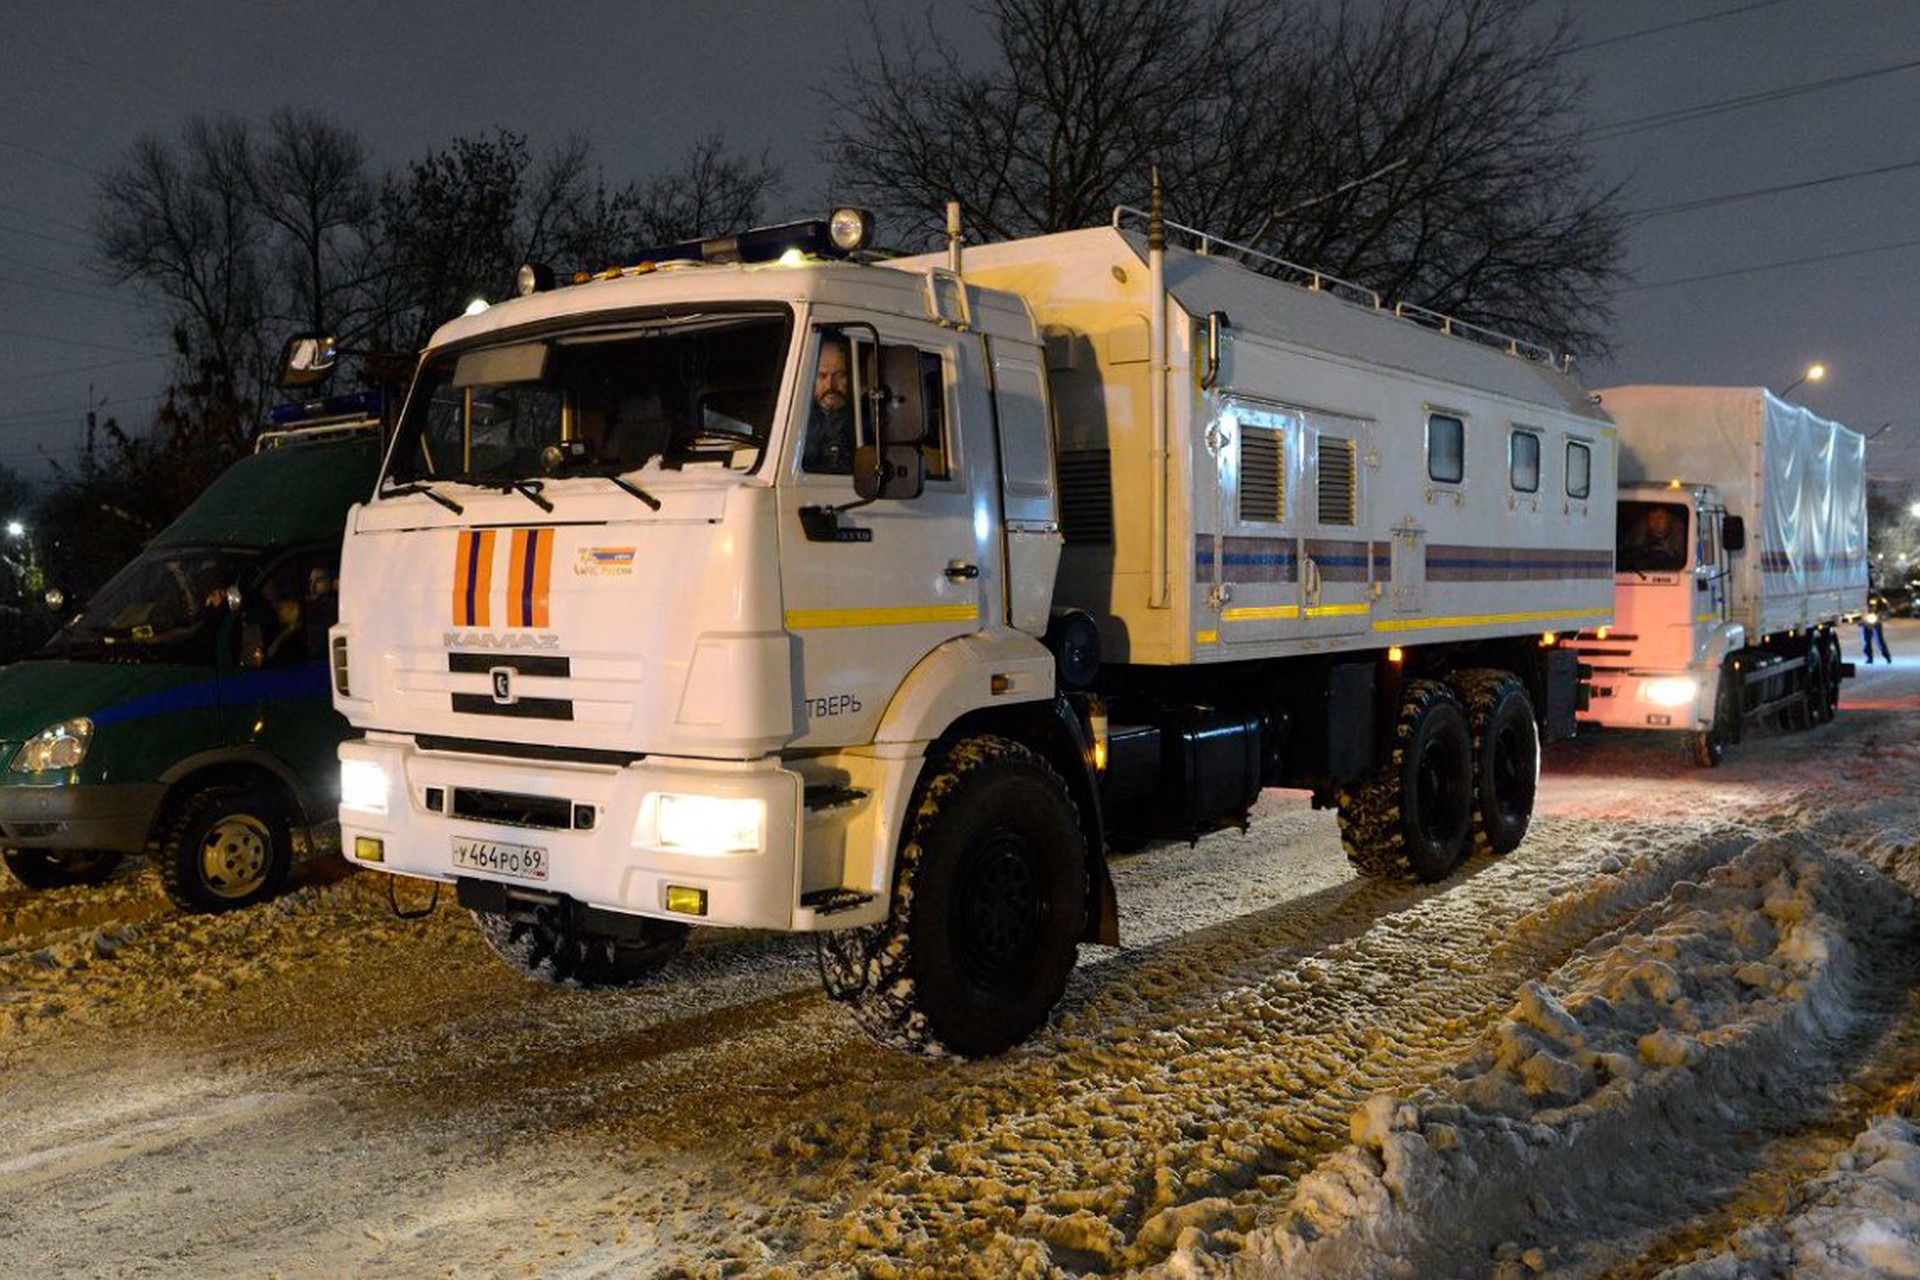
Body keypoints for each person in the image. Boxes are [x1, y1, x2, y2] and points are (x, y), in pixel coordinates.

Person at [802, 336, 855, 474]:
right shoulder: (796, 420)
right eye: (822, 375)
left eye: (840, 375)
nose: (831, 385)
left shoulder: (866, 421)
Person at [1863, 594, 1892, 664]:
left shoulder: (1880, 599)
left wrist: (1881, 615)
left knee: (1880, 640)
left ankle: (1887, 656)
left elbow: (1886, 609)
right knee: (1867, 641)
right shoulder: (1863, 598)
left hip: (1876, 621)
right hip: (1866, 622)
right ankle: (1869, 657)